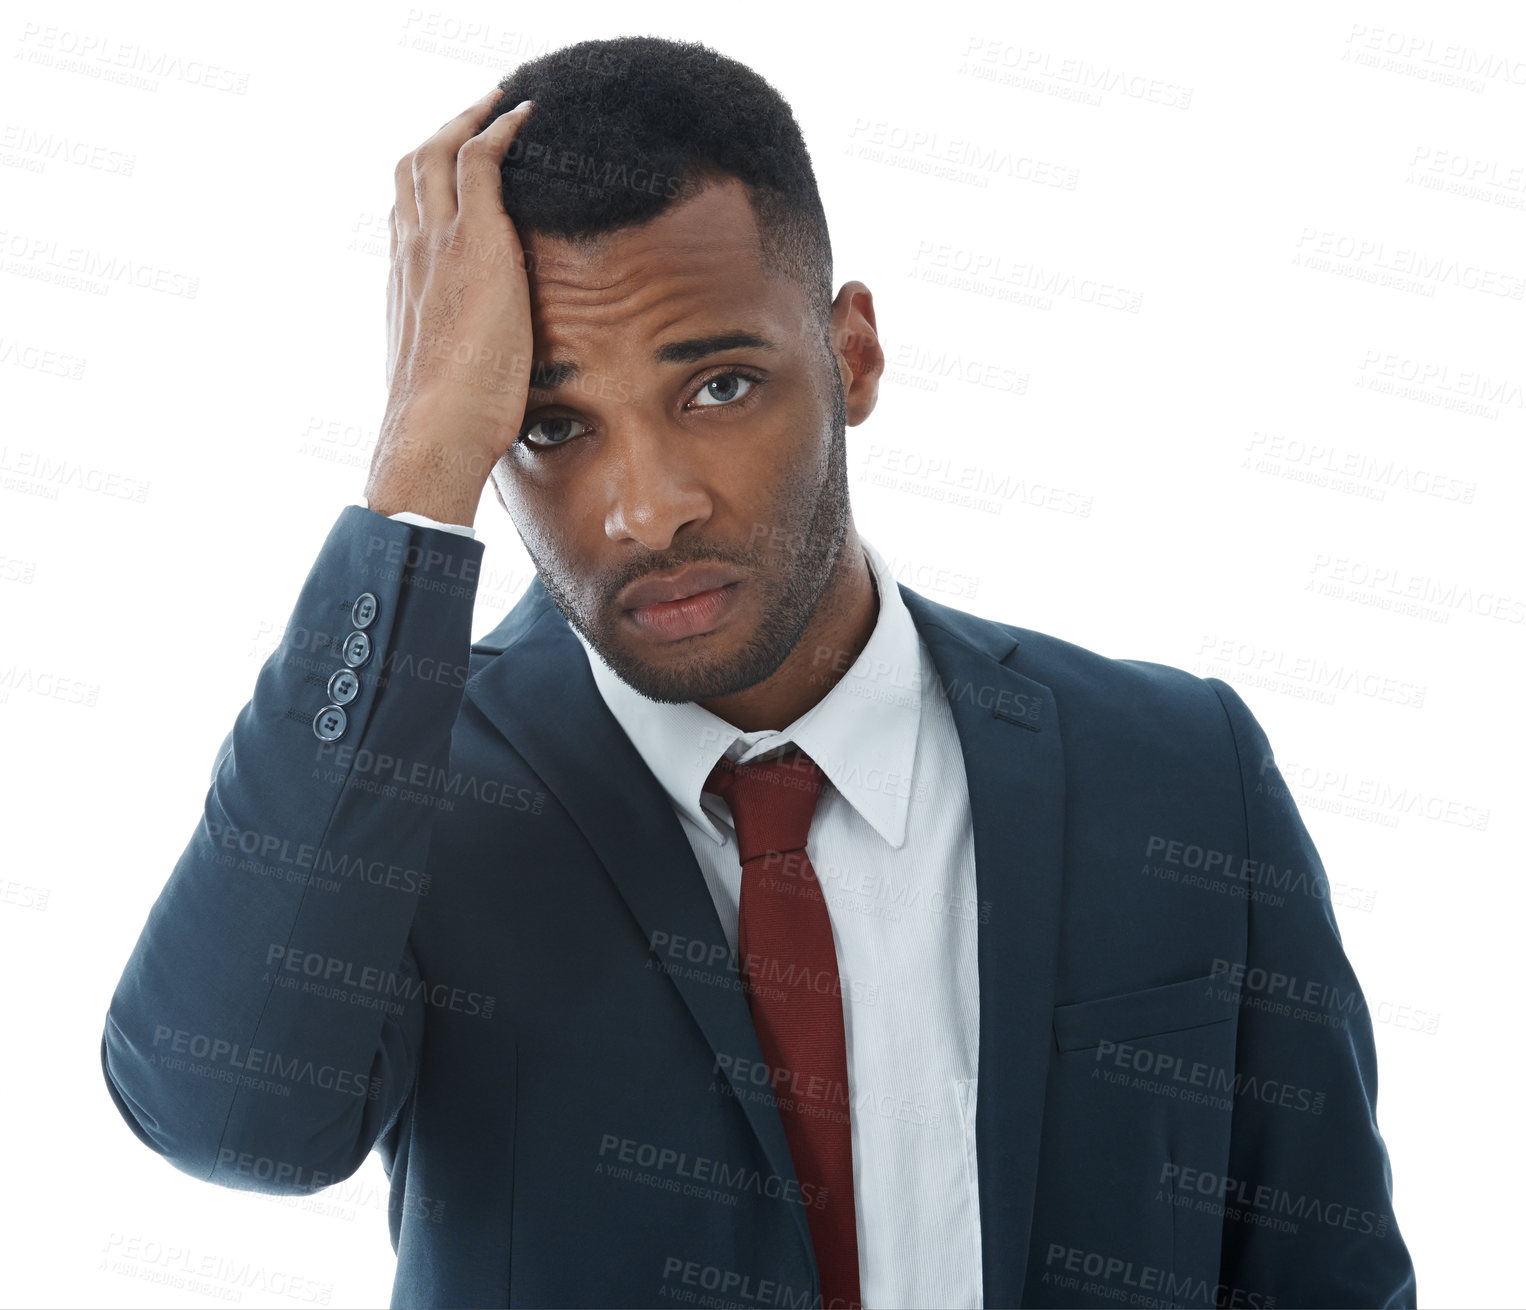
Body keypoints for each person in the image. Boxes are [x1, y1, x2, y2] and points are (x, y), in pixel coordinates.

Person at [101, 36, 1416, 1310]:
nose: (647, 509)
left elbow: (1323, 1273)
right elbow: (232, 1112)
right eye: (551, 424)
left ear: (850, 356)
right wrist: (413, 477)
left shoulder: (1179, 771)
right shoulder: (407, 798)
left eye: (719, 386)